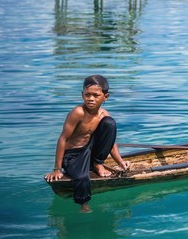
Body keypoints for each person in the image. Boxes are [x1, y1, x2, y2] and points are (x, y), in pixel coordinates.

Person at [44, 75, 130, 212]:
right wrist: (57, 169)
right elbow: (62, 139)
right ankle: (83, 204)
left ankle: (98, 164)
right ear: (82, 94)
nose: (91, 99)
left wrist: (120, 161)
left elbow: (110, 141)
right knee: (82, 177)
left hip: (90, 152)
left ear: (105, 97)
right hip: (72, 156)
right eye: (87, 94)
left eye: (96, 95)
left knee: (110, 123)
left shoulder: (103, 114)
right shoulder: (78, 112)